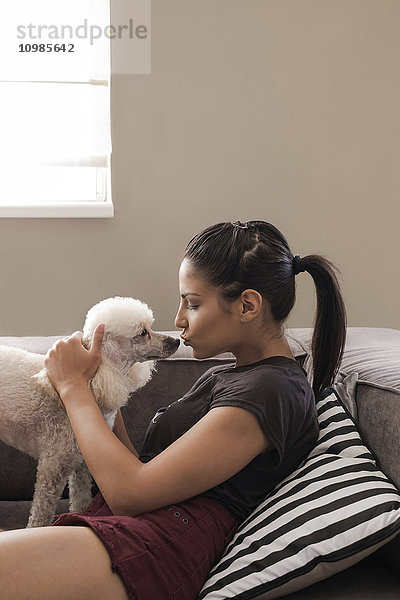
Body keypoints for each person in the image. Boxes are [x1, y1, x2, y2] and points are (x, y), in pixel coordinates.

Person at [0, 220, 346, 600]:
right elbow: (140, 472)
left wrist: (73, 387)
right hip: (134, 526)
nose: (179, 319)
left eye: (192, 303)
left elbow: (130, 492)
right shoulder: (233, 378)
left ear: (247, 305)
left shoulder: (270, 390)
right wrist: (102, 381)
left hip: (161, 544)